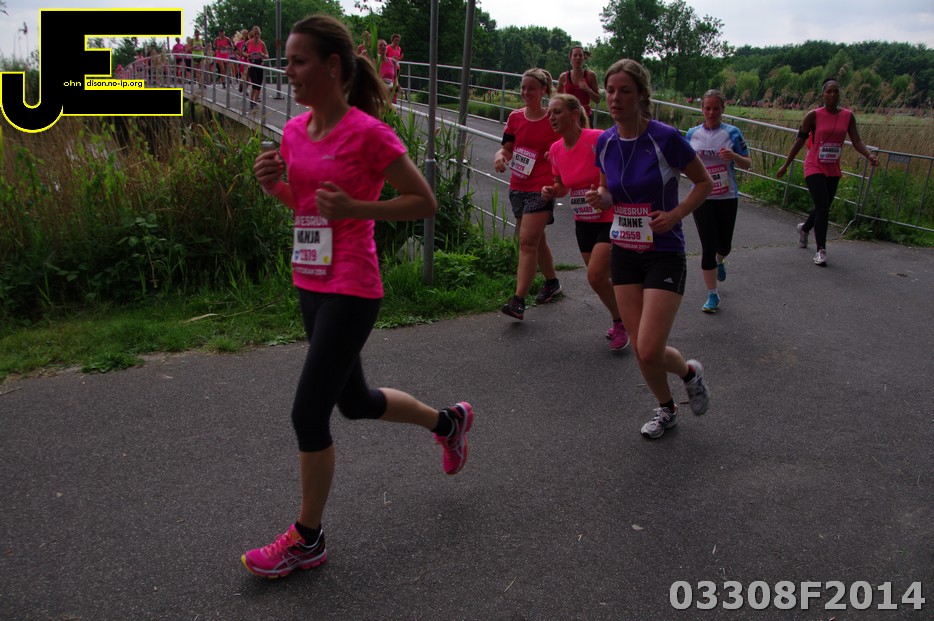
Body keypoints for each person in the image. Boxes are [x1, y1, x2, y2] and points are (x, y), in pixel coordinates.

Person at [246, 13, 474, 578]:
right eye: (286, 61)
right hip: (309, 280)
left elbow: (424, 201)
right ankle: (447, 423)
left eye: (298, 61)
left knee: (308, 413)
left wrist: (357, 208)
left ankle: (308, 539)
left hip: (352, 286)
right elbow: (306, 207)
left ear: (332, 66)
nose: (288, 70)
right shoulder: (294, 133)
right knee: (355, 401)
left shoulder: (369, 133)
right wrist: (274, 185)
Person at [585, 59, 712, 439]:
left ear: (641, 95)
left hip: (663, 251)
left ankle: (690, 373)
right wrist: (601, 197)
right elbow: (608, 188)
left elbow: (704, 183)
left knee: (651, 346)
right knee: (642, 348)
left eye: (624, 91)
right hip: (624, 250)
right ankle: (667, 408)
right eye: (610, 90)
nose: (615, 98)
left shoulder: (665, 138)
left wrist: (675, 215)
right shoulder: (605, 141)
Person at [541, 93, 629, 350]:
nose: (551, 117)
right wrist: (552, 190)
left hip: (611, 215)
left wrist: (604, 192)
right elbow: (562, 186)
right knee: (603, 278)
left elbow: (621, 171)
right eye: (549, 113)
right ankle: (627, 315)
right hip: (583, 220)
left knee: (595, 276)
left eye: (557, 112)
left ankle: (623, 324)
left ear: (574, 114)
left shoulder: (598, 139)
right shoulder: (555, 149)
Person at [776, 78, 878, 266]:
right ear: (823, 94)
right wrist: (786, 164)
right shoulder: (813, 116)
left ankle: (804, 229)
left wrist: (869, 155)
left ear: (839, 94)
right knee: (822, 205)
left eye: (835, 91)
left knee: (822, 206)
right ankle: (821, 250)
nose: (832, 95)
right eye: (828, 91)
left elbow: (856, 140)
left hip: (833, 167)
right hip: (814, 165)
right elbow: (799, 141)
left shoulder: (848, 116)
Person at [493, 68, 562, 320]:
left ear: (543, 90)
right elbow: (507, 148)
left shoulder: (553, 119)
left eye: (531, 88)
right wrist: (500, 157)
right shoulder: (515, 117)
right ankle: (552, 283)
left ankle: (518, 300)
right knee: (537, 239)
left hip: (542, 188)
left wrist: (555, 158)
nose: (525, 92)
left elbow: (567, 146)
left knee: (527, 242)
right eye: (523, 88)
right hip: (518, 186)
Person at [685, 89, 751, 313]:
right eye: (707, 108)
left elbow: (748, 163)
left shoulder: (732, 133)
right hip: (701, 197)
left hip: (726, 196)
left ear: (723, 109)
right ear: (702, 109)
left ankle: (720, 260)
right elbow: (682, 163)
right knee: (708, 246)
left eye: (716, 108)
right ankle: (712, 294)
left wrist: (734, 157)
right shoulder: (692, 134)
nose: (711, 112)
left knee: (724, 246)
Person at [557, 46, 600, 129]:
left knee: (586, 137)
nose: (578, 58)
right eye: (575, 55)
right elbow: (558, 98)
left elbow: (597, 99)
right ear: (570, 57)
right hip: (568, 116)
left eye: (580, 55)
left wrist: (587, 89)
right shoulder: (564, 76)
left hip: (585, 117)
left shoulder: (590, 75)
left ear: (584, 58)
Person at [246, 26, 269, 110]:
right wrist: (248, 55)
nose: (256, 35)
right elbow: (241, 52)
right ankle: (251, 100)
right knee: (255, 83)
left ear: (260, 34)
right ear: (253, 33)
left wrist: (262, 54)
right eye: (255, 34)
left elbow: (267, 56)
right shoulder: (248, 43)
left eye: (258, 34)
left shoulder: (262, 44)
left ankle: (255, 101)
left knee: (259, 84)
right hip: (252, 65)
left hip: (259, 64)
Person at [376, 38, 398, 103]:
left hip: (391, 94)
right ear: (376, 49)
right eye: (380, 45)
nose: (383, 47)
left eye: (385, 45)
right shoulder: (374, 62)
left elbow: (395, 78)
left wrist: (396, 87)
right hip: (379, 95)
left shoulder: (393, 61)